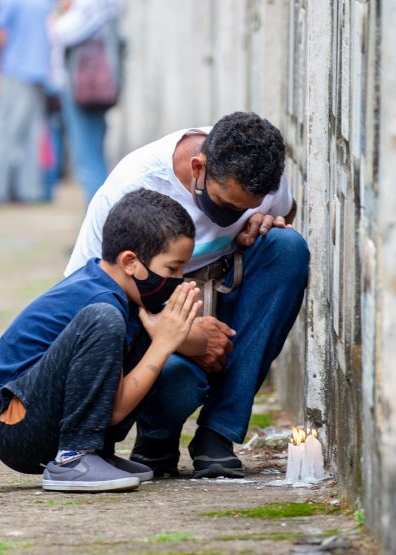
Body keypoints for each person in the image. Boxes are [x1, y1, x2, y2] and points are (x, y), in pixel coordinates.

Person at [66, 111, 310, 479]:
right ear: (198, 167)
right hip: (152, 320)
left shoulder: (264, 172)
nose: (234, 216)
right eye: (225, 205)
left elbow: (284, 212)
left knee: (287, 248)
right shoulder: (132, 186)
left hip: (225, 298)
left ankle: (218, 434)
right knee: (177, 375)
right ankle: (157, 437)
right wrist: (184, 337)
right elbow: (86, 295)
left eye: (248, 208)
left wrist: (264, 224)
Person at [0, 188, 204, 492]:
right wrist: (164, 342)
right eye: (173, 268)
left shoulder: (126, 293)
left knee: (151, 329)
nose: (180, 278)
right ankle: (73, 457)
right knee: (109, 321)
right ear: (130, 262)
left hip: (38, 418)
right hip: (15, 426)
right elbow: (117, 409)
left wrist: (172, 331)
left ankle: (96, 452)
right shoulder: (100, 302)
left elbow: (201, 343)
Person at [0, 0, 52, 203]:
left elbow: (0, 33)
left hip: (15, 70)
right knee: (32, 134)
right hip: (41, 72)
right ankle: (30, 190)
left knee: (4, 131)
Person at [49, 0, 121, 204]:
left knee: (87, 154)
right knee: (92, 150)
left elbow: (62, 32)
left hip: (83, 85)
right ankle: (102, 211)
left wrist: (60, 15)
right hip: (93, 84)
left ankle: (99, 215)